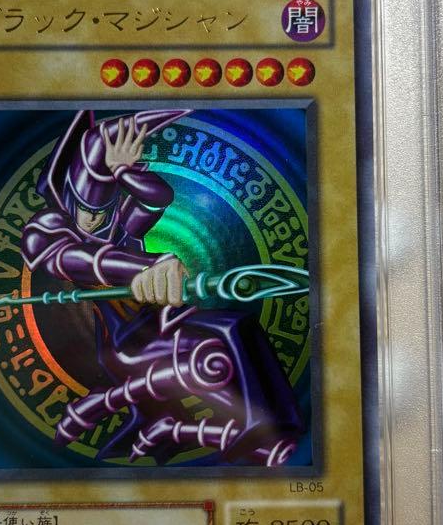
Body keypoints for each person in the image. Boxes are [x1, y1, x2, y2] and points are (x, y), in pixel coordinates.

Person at [21, 110, 301, 467]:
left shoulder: (117, 226)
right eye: (85, 208)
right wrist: (143, 267)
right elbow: (75, 259)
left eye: (102, 211)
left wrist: (124, 172)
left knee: (236, 325)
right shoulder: (47, 230)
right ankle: (250, 430)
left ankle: (272, 425)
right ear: (68, 197)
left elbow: (157, 199)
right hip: (124, 343)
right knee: (216, 348)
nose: (93, 220)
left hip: (159, 323)